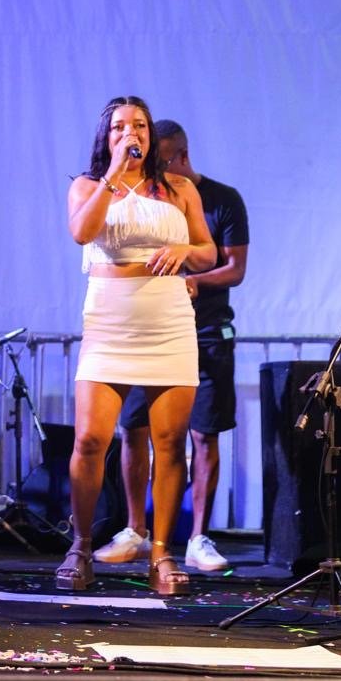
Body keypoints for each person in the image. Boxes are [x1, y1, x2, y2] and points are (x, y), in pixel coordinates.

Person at [60, 96, 216, 596]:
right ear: (106, 136)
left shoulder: (179, 188)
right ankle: (81, 546)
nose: (133, 133)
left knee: (169, 443)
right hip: (109, 321)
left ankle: (161, 552)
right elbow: (82, 232)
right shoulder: (87, 186)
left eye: (141, 125)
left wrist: (185, 249)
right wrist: (113, 175)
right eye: (121, 126)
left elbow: (209, 251)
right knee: (90, 439)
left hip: (168, 321)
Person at [92, 120, 249, 572]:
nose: (150, 169)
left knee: (202, 432)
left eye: (158, 160)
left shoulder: (221, 199)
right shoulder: (140, 192)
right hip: (147, 329)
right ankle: (135, 530)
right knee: (133, 427)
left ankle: (198, 537)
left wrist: (193, 277)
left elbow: (233, 267)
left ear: (180, 156)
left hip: (205, 331)